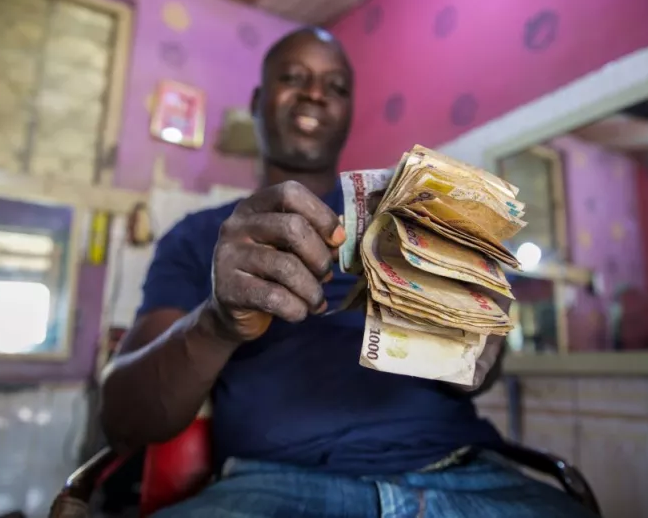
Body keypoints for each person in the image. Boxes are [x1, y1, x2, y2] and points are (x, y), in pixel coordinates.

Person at [100, 27, 594, 517]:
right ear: (256, 100)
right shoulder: (198, 237)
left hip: (463, 472)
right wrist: (217, 320)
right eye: (293, 77)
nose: (315, 93)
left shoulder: (410, 219)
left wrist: (478, 348)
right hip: (271, 487)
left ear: (349, 112)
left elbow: (477, 375)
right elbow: (123, 419)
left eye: (335, 87)